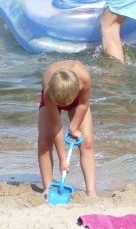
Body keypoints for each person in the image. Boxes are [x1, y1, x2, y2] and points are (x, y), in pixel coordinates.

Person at [38, 60, 96, 197]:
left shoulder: (84, 78)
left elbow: (83, 105)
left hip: (78, 101)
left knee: (87, 142)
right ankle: (47, 187)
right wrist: (62, 159)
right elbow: (56, 126)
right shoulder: (49, 92)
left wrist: (73, 127)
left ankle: (91, 191)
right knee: (45, 141)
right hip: (52, 97)